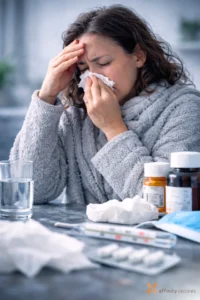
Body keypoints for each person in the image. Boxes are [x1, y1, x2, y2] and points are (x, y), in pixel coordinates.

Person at [10, 4, 200, 204]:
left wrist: (112, 127)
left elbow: (165, 203)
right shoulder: (76, 115)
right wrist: (46, 97)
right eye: (83, 68)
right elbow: (32, 191)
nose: (93, 77)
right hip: (82, 234)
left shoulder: (184, 108)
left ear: (138, 56)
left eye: (103, 63)